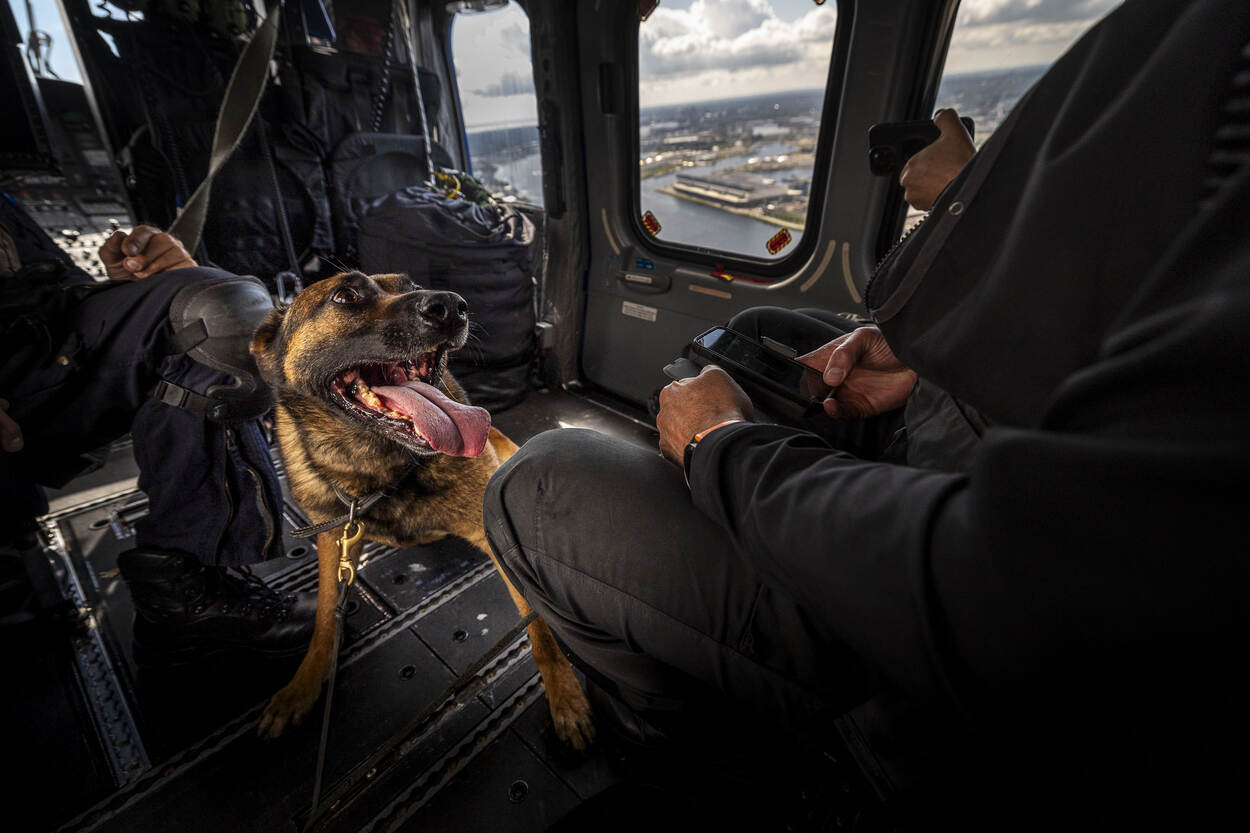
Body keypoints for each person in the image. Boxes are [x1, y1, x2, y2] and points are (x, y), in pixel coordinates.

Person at [483, 0, 1250, 828]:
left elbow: (1035, 580)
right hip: (962, 445)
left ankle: (718, 759)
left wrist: (723, 447)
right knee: (755, 334)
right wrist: (931, 370)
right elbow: (1114, 327)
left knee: (532, 486)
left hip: (933, 657)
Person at [1, 194, 313, 661]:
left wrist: (129, 281)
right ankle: (181, 607)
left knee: (215, 309)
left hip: (34, 334)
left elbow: (37, 293)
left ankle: (183, 578)